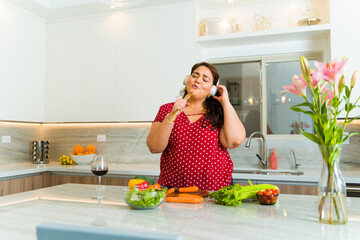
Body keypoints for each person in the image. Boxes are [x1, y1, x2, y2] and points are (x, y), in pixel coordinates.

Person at [146, 62, 246, 191]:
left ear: (212, 89)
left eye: (205, 79)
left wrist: (225, 102)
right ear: (187, 80)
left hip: (214, 189)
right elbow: (154, 147)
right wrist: (172, 115)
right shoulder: (167, 109)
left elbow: (234, 141)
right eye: (195, 75)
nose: (198, 80)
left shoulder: (220, 112)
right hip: (173, 188)